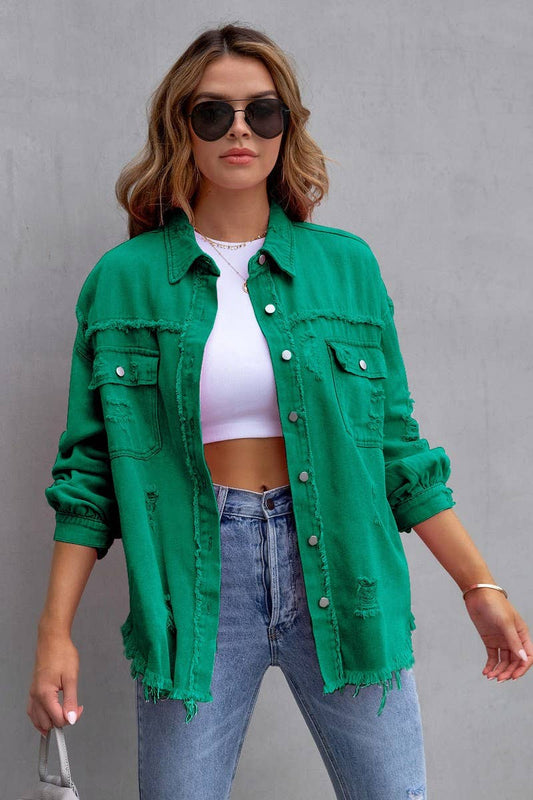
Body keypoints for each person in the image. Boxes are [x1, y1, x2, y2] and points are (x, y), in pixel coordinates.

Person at [28, 22, 532, 800]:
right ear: (179, 128)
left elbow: (399, 453)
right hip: (193, 582)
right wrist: (54, 633)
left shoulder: (345, 267)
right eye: (212, 113)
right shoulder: (123, 280)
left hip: (343, 567)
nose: (238, 130)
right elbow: (88, 477)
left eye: (261, 112)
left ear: (284, 127)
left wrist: (480, 587)